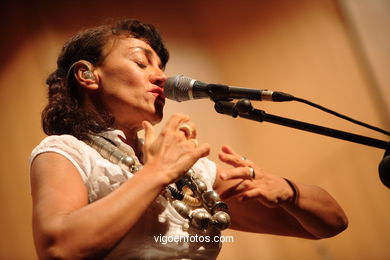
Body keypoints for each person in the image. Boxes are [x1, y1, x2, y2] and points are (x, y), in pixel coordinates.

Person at [29, 18, 348, 260]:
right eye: (141, 62)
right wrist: (157, 173)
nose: (161, 77)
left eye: (161, 67)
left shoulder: (187, 172)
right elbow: (60, 247)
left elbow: (330, 224)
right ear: (87, 75)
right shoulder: (65, 150)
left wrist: (289, 191)